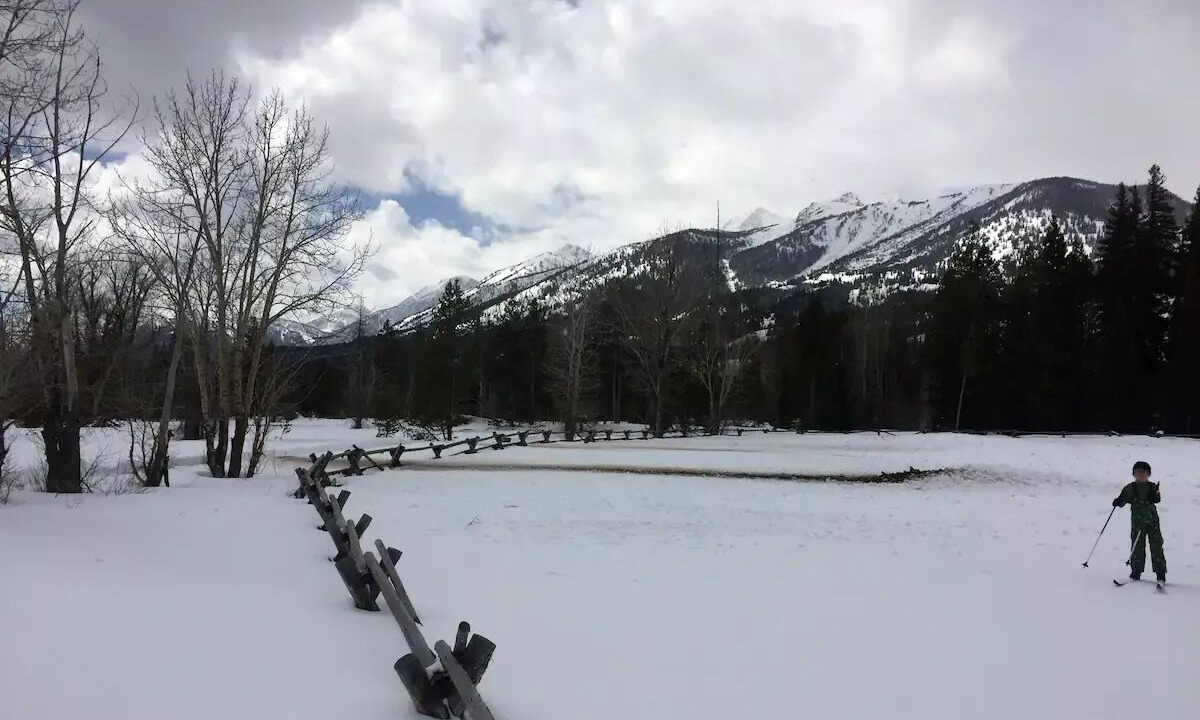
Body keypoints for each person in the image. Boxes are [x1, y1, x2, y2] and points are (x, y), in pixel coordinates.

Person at [1112, 461, 1166, 583]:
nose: (1141, 475)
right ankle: (1136, 572)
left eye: (1144, 473)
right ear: (1134, 474)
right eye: (1138, 473)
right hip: (1137, 521)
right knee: (1137, 546)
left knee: (1156, 545)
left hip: (1152, 520)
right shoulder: (1130, 488)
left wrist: (1155, 497)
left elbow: (1157, 500)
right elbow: (1122, 500)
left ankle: (1160, 573)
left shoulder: (1153, 486)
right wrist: (1117, 502)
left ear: (1148, 474)